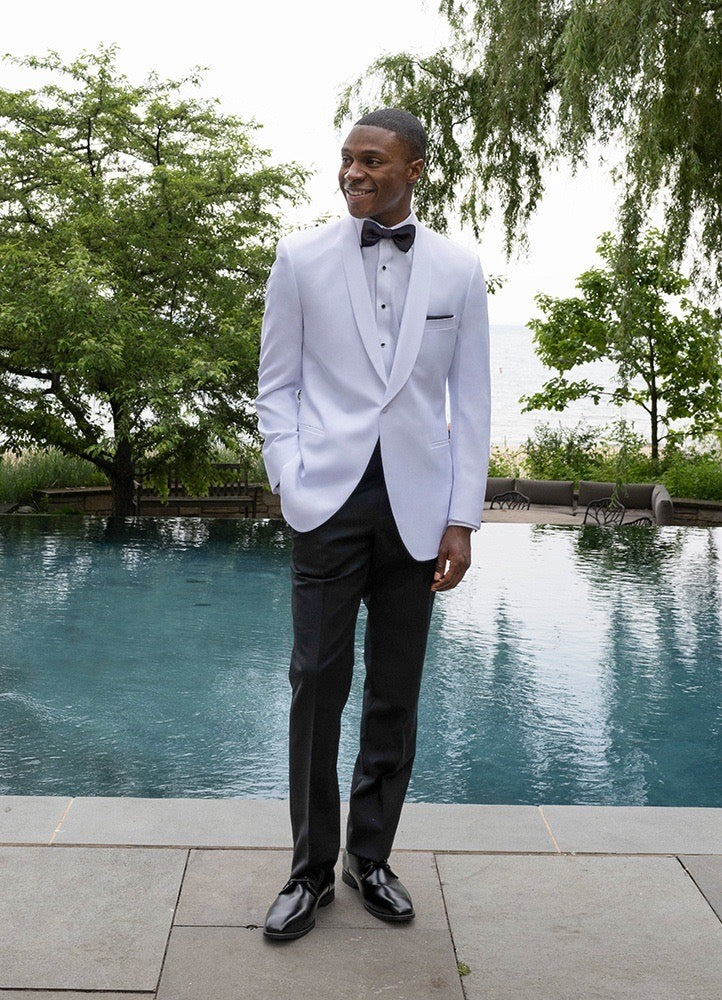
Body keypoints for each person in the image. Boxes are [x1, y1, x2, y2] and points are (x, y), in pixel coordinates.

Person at [255, 108, 490, 941]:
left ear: (414, 168)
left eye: (373, 161)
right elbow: (276, 387)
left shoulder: (459, 269)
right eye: (347, 159)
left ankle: (371, 858)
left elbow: (471, 400)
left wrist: (462, 518)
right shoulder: (300, 258)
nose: (353, 172)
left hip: (419, 512)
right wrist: (289, 482)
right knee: (316, 683)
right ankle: (309, 871)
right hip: (326, 503)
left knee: (395, 692)